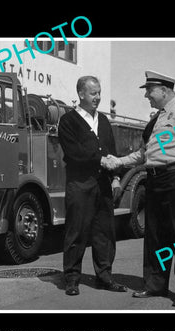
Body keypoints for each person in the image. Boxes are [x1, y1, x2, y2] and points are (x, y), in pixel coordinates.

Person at [108, 70, 175, 307]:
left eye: (149, 91)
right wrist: (119, 161)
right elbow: (144, 154)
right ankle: (154, 285)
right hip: (154, 181)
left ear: (164, 90)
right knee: (155, 238)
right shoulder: (156, 120)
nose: (147, 96)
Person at [58, 75, 127, 296]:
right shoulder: (68, 121)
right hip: (80, 184)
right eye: (93, 93)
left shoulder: (104, 121)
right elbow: (73, 152)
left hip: (103, 184)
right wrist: (99, 160)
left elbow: (111, 149)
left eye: (99, 92)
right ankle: (71, 279)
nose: (97, 97)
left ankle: (105, 277)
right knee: (76, 231)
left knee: (104, 232)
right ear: (81, 94)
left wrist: (116, 175)